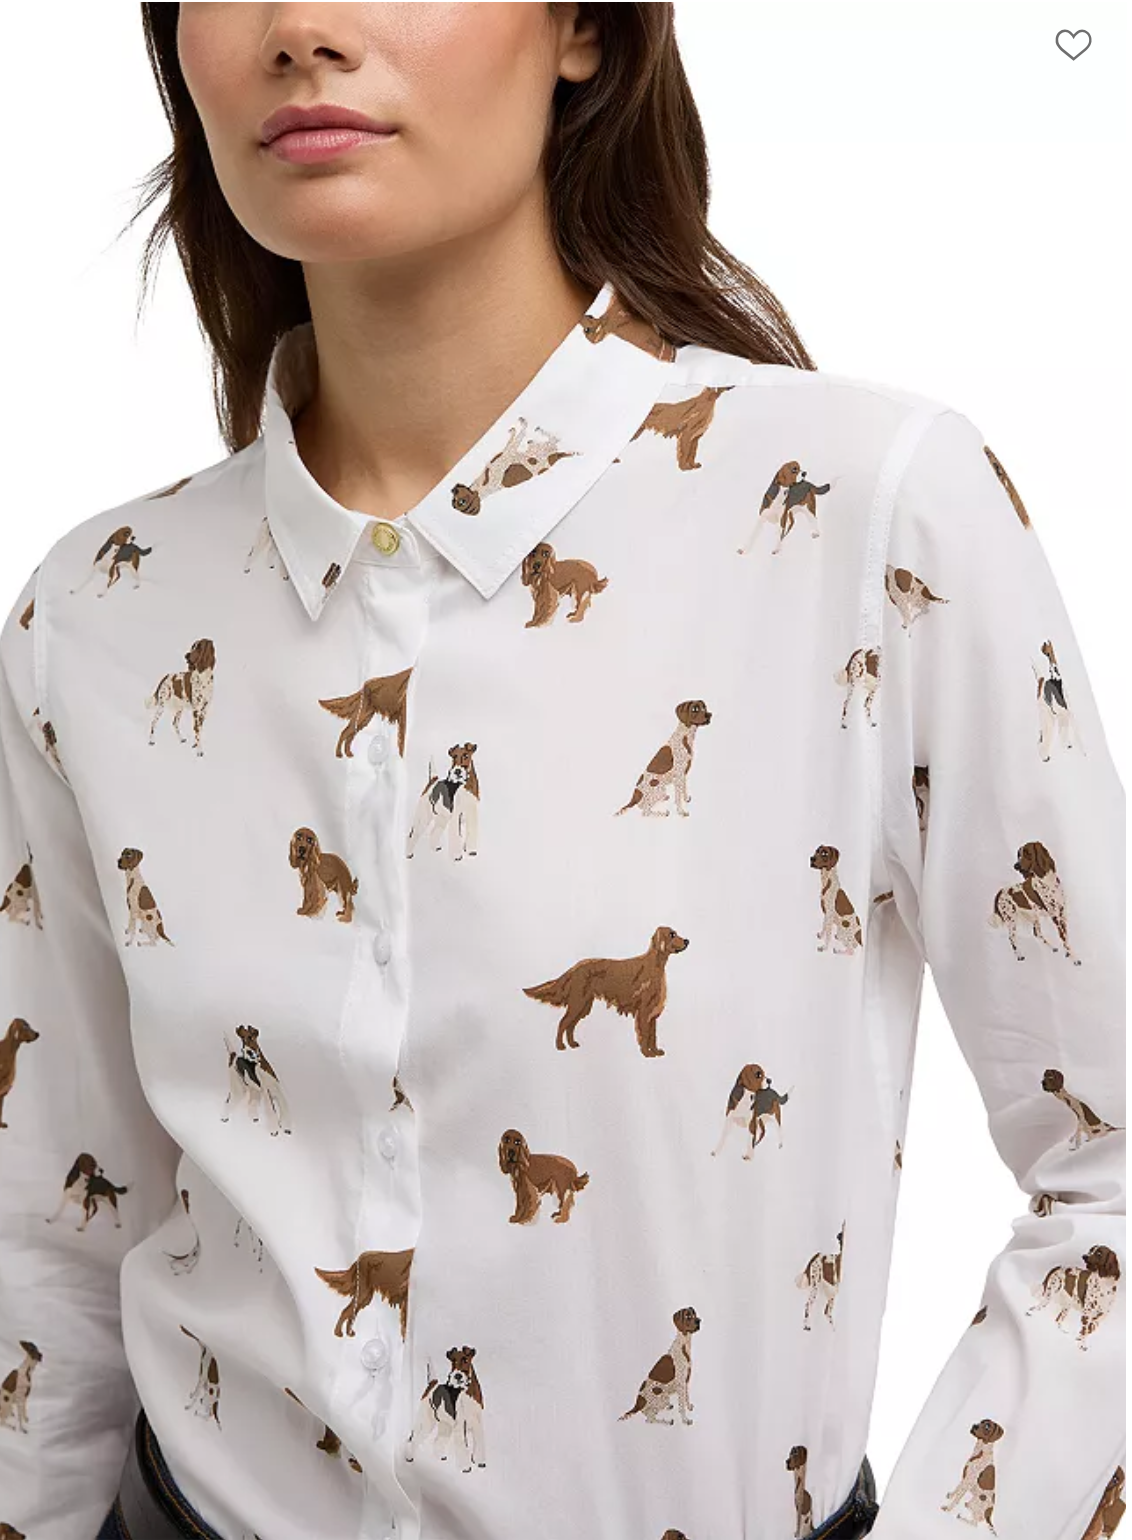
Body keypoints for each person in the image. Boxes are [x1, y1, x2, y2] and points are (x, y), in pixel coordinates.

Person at [0, 5, 1124, 1540]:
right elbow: (50, 1239)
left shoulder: (870, 518)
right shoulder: (97, 613)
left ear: (585, 26)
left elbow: (1112, 1163)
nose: (301, 27)